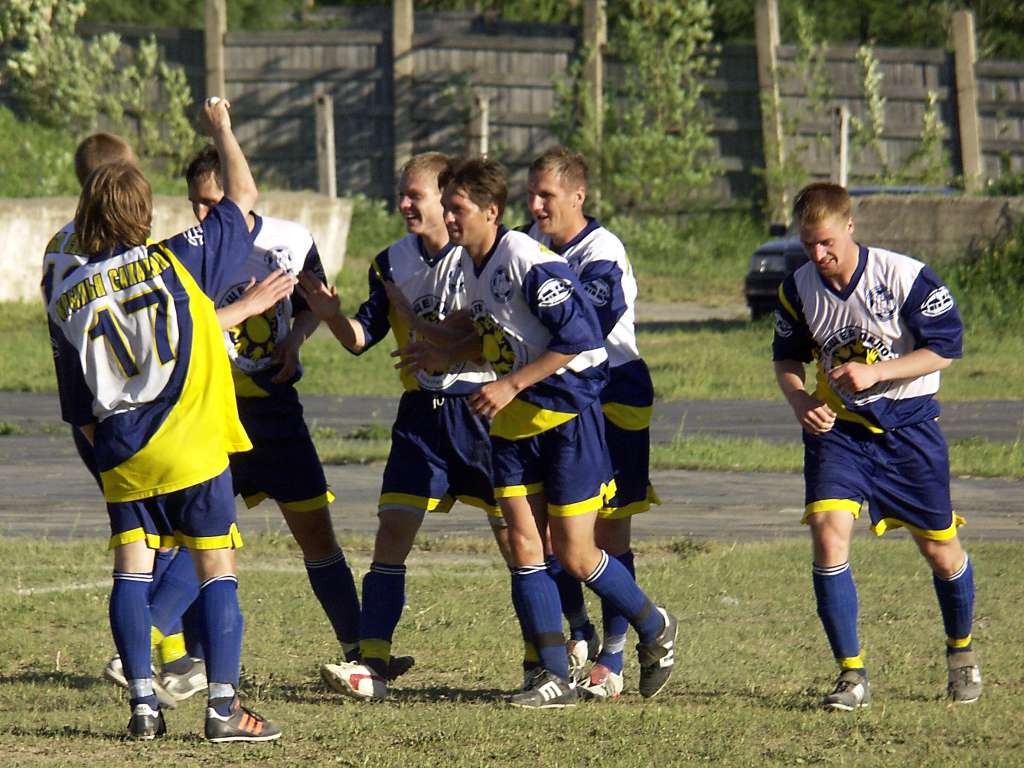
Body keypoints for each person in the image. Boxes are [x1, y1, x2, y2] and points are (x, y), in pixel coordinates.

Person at [396, 157, 677, 708]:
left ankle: (654, 625)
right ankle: (553, 675)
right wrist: (443, 347)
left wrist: (510, 384)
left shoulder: (526, 259)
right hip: (513, 424)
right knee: (527, 548)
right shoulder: (471, 263)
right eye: (447, 207)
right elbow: (498, 334)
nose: (449, 218)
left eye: (458, 209)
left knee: (575, 554)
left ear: (488, 213)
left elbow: (578, 338)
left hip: (566, 419)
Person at [46, 98, 280, 742]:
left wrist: (108, 451)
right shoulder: (180, 258)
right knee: (216, 568)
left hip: (120, 446)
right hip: (190, 442)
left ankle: (144, 706)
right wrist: (224, 130)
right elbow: (245, 193)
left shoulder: (65, 290)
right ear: (144, 213)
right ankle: (224, 710)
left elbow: (76, 397)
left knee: (131, 565)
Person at [296, 152, 509, 701]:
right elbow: (361, 339)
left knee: (517, 538)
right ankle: (372, 663)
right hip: (420, 417)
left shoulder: (486, 256)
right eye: (402, 194)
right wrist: (328, 314)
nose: (404, 204)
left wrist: (443, 347)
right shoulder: (389, 262)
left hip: (482, 411)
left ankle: (554, 656)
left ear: (448, 200)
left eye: (416, 195)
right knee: (392, 532)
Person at [772, 182, 980, 710]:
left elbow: (945, 350)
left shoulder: (904, 277)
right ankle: (851, 674)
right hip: (837, 432)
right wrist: (800, 402)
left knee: (939, 550)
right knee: (828, 531)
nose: (819, 255)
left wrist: (877, 372)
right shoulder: (798, 288)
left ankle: (961, 654)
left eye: (826, 243)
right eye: (808, 245)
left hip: (909, 432)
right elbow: (787, 358)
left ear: (849, 227)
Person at [184, 145, 375, 675]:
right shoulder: (188, 251)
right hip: (213, 410)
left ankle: (360, 652)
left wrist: (294, 338)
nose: (203, 217)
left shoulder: (291, 240)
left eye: (211, 203)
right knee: (204, 539)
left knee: (316, 530)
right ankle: (189, 660)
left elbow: (317, 304)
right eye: (195, 205)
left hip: (276, 408)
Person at [520, 146, 659, 700]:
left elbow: (582, 330)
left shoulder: (603, 252)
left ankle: (615, 656)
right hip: (556, 393)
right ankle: (578, 629)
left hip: (615, 390)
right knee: (553, 527)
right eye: (530, 195)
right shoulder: (526, 243)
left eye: (546, 196)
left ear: (578, 197)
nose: (535, 205)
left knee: (608, 525)